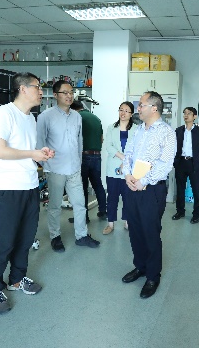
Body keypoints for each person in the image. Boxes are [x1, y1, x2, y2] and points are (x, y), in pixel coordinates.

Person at [0, 72, 53, 315]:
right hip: (5, 189)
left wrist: (39, 154)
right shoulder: (3, 114)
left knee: (25, 239)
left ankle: (17, 279)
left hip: (29, 186)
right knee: (3, 243)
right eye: (37, 87)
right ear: (23, 89)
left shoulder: (30, 118)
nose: (41, 91)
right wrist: (32, 154)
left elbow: (23, 150)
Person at [121, 91, 176, 299]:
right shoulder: (137, 130)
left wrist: (143, 181)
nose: (138, 108)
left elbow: (165, 163)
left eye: (141, 105)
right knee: (134, 229)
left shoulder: (167, 132)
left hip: (151, 189)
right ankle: (140, 266)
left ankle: (153, 275)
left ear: (154, 108)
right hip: (132, 185)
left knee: (150, 232)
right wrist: (128, 175)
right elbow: (128, 154)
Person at [36, 80, 100, 253]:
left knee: (79, 203)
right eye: (65, 92)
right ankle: (55, 236)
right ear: (55, 95)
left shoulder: (77, 116)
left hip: (74, 168)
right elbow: (39, 143)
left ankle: (82, 235)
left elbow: (79, 142)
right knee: (55, 205)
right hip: (55, 168)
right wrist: (46, 165)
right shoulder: (45, 116)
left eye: (71, 92)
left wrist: (78, 162)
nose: (69, 95)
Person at [70, 100, 107, 222]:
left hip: (83, 156)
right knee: (98, 185)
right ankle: (103, 212)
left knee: (82, 187)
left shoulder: (77, 116)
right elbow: (101, 139)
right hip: (97, 156)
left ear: (73, 109)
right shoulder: (96, 118)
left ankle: (83, 217)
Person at [102, 101, 135, 234]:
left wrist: (126, 161)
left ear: (131, 114)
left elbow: (136, 148)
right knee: (112, 197)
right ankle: (110, 224)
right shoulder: (111, 128)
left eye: (126, 110)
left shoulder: (137, 129)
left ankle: (127, 222)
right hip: (113, 169)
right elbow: (108, 146)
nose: (123, 113)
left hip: (129, 170)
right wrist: (123, 158)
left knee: (128, 197)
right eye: (121, 110)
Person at [172, 107, 199, 224]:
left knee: (196, 190)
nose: (186, 115)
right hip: (181, 163)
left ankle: (197, 214)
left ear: (195, 116)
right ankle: (180, 211)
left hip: (194, 163)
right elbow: (173, 147)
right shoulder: (178, 131)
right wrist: (175, 161)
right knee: (180, 189)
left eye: (189, 113)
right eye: (185, 113)